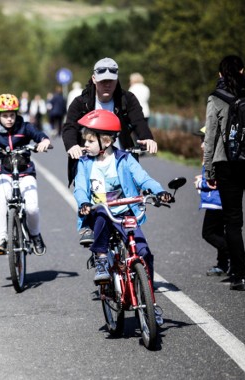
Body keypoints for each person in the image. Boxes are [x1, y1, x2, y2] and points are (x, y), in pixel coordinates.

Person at [73, 109, 172, 324]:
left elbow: (144, 179)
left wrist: (159, 191)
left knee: (144, 253)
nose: (85, 145)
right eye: (85, 141)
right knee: (100, 213)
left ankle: (150, 303)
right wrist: (83, 203)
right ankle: (100, 260)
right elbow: (80, 188)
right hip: (101, 211)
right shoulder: (84, 163)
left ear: (106, 141)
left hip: (125, 211)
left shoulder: (125, 159)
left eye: (90, 141)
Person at [63, 57, 158, 246]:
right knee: (90, 195)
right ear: (94, 79)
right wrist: (72, 145)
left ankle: (131, 244)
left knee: (130, 198)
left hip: (121, 157)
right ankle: (90, 228)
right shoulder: (82, 102)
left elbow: (138, 121)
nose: (107, 84)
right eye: (103, 80)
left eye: (111, 80)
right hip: (92, 159)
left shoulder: (126, 99)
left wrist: (147, 137)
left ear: (117, 79)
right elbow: (69, 128)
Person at [0, 93, 52, 256]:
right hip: (6, 173)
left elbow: (40, 136)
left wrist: (44, 142)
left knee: (32, 207)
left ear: (16, 114)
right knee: (4, 200)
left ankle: (35, 235)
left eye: (12, 115)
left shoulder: (25, 127)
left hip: (26, 172)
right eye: (5, 116)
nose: (9, 119)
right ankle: (2, 238)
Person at [203, 55, 245, 291]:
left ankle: (240, 276)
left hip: (227, 164)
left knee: (233, 222)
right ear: (243, 70)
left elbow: (210, 136)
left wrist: (208, 170)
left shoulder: (216, 98)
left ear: (220, 75)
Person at [193, 127, 229, 276]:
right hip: (217, 202)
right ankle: (222, 264)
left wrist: (200, 184)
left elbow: (215, 181)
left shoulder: (214, 159)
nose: (201, 145)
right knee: (220, 233)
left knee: (208, 233)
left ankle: (233, 254)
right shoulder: (214, 156)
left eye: (204, 140)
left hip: (217, 203)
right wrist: (202, 178)